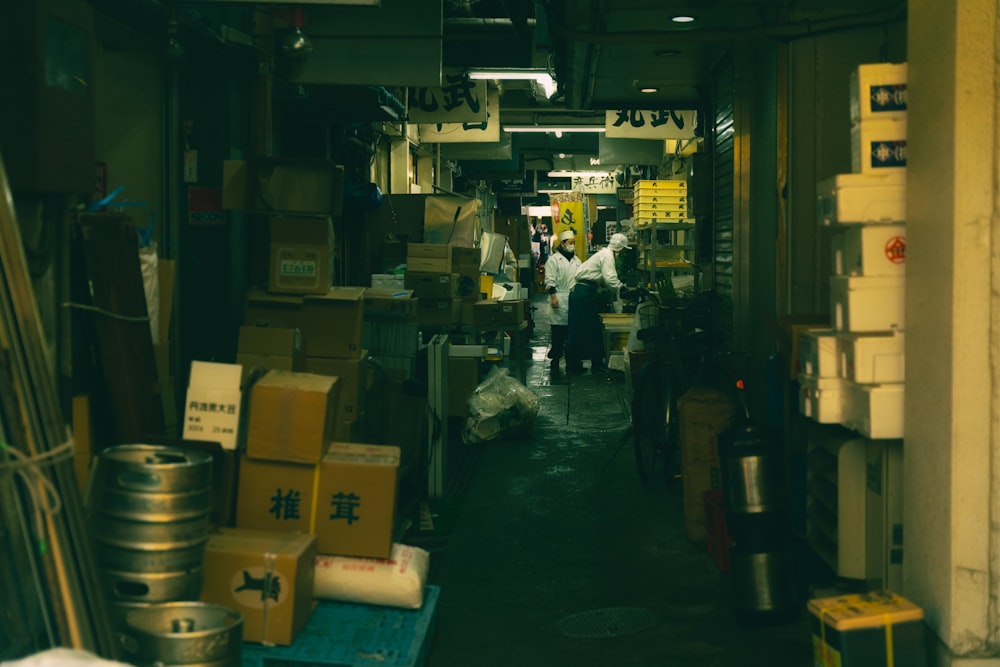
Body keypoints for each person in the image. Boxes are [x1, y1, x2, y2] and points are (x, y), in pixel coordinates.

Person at [566, 232, 630, 375]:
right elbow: (610, 278)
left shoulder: (604, 254)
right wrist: (623, 289)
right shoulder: (608, 256)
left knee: (586, 327)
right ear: (620, 249)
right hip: (583, 293)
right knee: (580, 327)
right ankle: (573, 364)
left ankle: (583, 362)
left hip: (583, 292)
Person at [544, 230, 581, 378]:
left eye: (574, 242)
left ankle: (572, 363)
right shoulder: (554, 260)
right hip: (559, 297)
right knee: (558, 333)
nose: (572, 245)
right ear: (563, 244)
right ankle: (555, 362)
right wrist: (553, 296)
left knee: (572, 333)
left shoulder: (577, 261)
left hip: (572, 298)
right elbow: (549, 279)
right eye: (570, 242)